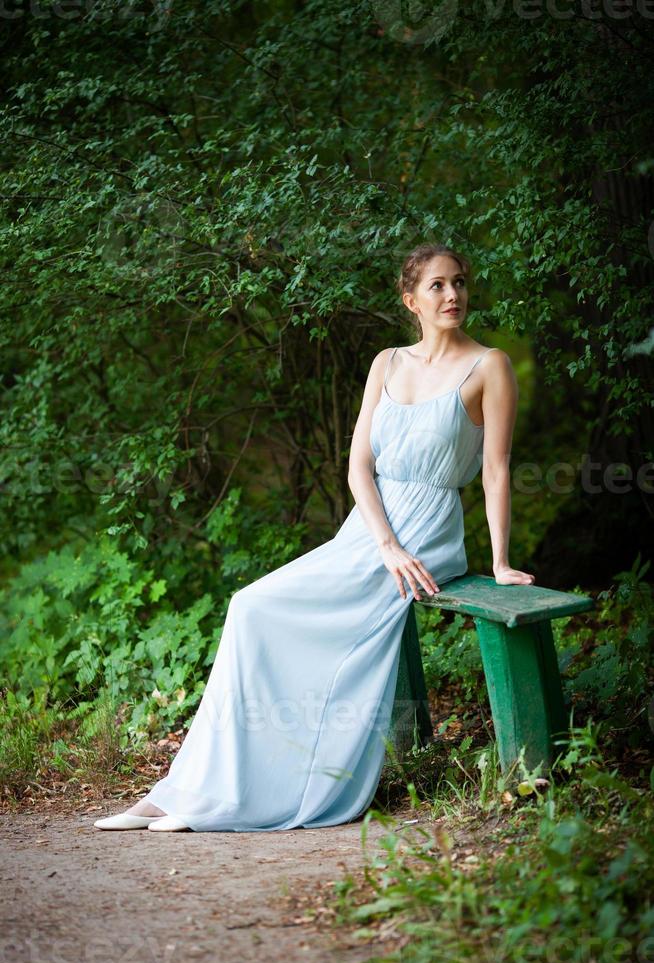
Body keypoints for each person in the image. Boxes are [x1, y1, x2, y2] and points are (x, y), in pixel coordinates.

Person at [94, 241, 535, 833]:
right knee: (251, 608)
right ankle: (184, 790)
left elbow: (496, 468)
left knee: (256, 610)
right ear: (411, 300)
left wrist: (500, 561)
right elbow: (358, 468)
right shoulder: (387, 363)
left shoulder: (490, 366)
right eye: (437, 285)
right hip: (372, 533)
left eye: (459, 282)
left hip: (430, 530)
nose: (452, 294)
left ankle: (225, 798)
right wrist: (383, 542)